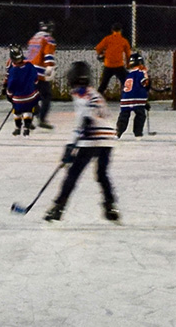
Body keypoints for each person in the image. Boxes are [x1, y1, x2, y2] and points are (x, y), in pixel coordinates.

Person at [45, 61, 120, 222]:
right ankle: (110, 205)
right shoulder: (93, 92)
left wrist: (72, 145)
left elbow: (84, 118)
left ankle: (58, 207)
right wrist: (71, 145)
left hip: (93, 138)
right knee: (102, 174)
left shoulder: (80, 94)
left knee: (73, 173)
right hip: (108, 139)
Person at [25, 22, 59, 129]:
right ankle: (42, 119)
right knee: (46, 96)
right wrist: (49, 66)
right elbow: (48, 54)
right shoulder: (48, 39)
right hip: (39, 72)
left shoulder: (33, 38)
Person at [4, 48, 43, 136]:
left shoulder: (13, 70)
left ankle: (18, 127)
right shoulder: (30, 66)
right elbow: (36, 79)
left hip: (18, 98)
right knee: (28, 110)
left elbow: (11, 85)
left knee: (17, 111)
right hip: (30, 95)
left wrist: (9, 94)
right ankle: (27, 127)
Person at [117, 52, 151, 137]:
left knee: (124, 115)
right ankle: (138, 132)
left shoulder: (129, 74)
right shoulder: (141, 72)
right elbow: (145, 83)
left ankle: (119, 131)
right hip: (138, 98)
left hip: (125, 98)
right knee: (140, 115)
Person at [95, 24, 132, 96]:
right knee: (126, 81)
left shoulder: (107, 39)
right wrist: (128, 65)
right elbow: (128, 55)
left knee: (104, 83)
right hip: (119, 65)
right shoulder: (124, 41)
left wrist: (102, 53)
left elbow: (98, 48)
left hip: (108, 65)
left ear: (112, 30)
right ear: (121, 31)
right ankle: (128, 95)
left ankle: (97, 98)